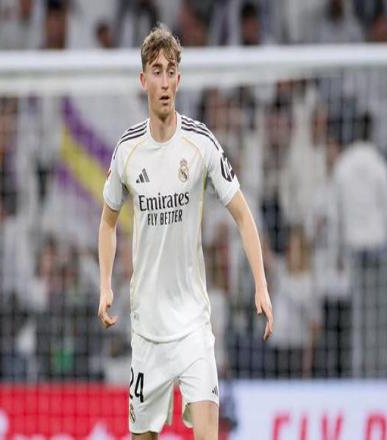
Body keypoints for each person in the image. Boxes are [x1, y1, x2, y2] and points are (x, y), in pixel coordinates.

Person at [97, 25, 273, 439]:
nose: (164, 81)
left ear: (179, 79)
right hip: (147, 330)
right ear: (143, 80)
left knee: (209, 432)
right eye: (156, 71)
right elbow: (107, 221)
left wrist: (261, 285)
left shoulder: (200, 143)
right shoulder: (128, 151)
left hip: (194, 325)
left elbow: (243, 215)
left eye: (171, 71)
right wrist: (104, 284)